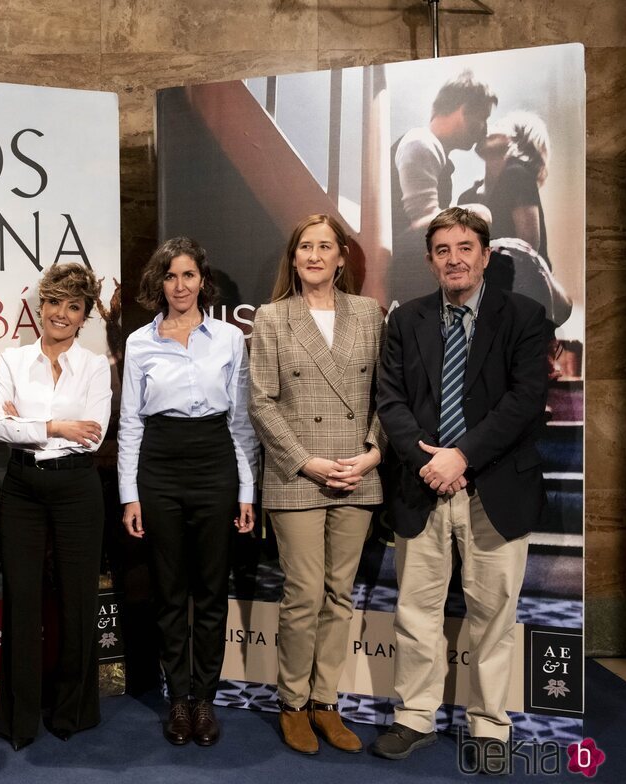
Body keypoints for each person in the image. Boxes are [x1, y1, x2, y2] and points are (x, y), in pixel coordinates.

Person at [373, 208, 549, 772]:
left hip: (493, 488)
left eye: (465, 247)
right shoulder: (406, 321)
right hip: (422, 486)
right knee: (416, 611)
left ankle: (490, 727)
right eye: (443, 249)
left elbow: (523, 402)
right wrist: (428, 462)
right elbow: (390, 400)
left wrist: (463, 456)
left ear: (486, 255)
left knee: (494, 615)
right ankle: (415, 717)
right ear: (430, 260)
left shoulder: (524, 317)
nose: (454, 258)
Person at [248, 214, 386, 756]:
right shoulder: (273, 316)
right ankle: (293, 703)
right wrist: (305, 462)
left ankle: (326, 702)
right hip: (297, 474)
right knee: (303, 593)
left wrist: (372, 455)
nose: (313, 254)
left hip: (356, 472)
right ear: (294, 256)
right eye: (304, 245)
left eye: (324, 246)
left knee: (339, 593)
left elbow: (385, 395)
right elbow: (260, 401)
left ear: (341, 257)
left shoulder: (368, 315)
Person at [119, 237, 257, 747]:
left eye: (188, 276)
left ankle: (206, 699)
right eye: (170, 277)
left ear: (203, 281)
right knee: (170, 590)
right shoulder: (139, 342)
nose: (180, 286)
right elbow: (130, 423)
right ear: (160, 283)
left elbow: (241, 421)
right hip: (159, 464)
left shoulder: (228, 338)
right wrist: (129, 496)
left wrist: (246, 489)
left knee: (211, 590)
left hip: (215, 461)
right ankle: (178, 699)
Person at [0, 262, 112, 750]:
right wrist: (57, 426)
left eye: (74, 306)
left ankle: (73, 712)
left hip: (78, 488)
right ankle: (18, 719)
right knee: (22, 600)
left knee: (79, 600)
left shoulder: (95, 365)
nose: (62, 313)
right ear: (41, 306)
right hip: (23, 488)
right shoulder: (14, 361)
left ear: (84, 317)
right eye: (54, 302)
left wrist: (30, 420)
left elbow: (93, 434)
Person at [390, 71, 497, 305]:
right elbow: (422, 222)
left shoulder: (437, 155)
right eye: (483, 117)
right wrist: (476, 213)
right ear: (465, 108)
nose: (485, 129)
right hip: (402, 264)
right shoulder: (421, 142)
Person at [460, 111, 552, 265]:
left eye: (498, 125)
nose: (486, 129)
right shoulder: (468, 197)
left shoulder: (517, 175)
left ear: (519, 140)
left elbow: (526, 252)